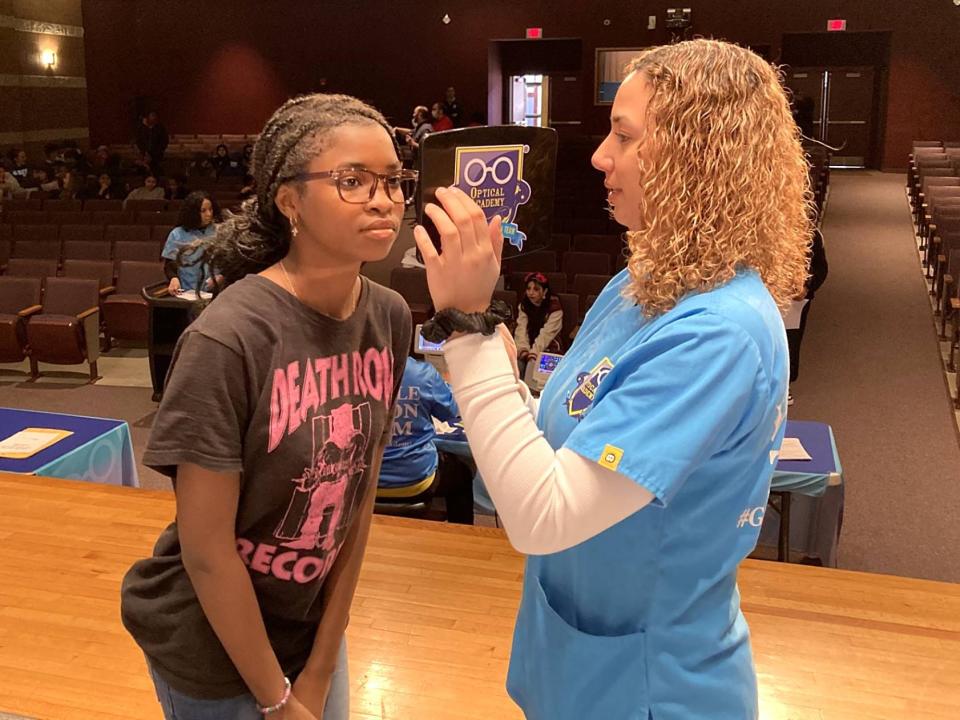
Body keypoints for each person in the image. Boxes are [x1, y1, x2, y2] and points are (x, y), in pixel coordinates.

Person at [412, 39, 810, 719]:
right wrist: (507, 378)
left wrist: (468, 327)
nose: (599, 155)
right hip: (574, 656)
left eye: (623, 136)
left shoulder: (720, 332)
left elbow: (545, 514)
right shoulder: (641, 285)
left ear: (695, 157)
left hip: (652, 687)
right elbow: (560, 432)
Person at [120, 92, 415, 720]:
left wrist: (320, 667)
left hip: (305, 637)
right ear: (289, 201)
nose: (383, 199)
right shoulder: (229, 337)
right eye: (352, 180)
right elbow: (205, 549)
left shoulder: (388, 317)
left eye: (393, 180)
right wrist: (276, 699)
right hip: (214, 646)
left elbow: (357, 502)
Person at [378, 352, 473, 523]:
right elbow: (451, 412)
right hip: (415, 480)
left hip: (364, 481)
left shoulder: (352, 373)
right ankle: (464, 539)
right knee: (463, 474)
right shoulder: (424, 374)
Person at [786, 227, 828, 403]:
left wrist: (807, 287)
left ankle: (785, 384)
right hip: (766, 295)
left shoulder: (811, 234)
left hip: (796, 302)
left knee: (791, 341)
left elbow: (821, 268)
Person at [161, 190, 221, 295]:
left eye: (210, 209)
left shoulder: (221, 231)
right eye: (203, 211)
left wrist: (222, 276)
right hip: (187, 290)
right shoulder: (177, 234)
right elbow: (170, 264)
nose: (209, 214)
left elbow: (230, 262)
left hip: (216, 290)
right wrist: (174, 279)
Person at [513, 271, 563, 376]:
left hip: (549, 347)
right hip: (528, 347)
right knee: (518, 366)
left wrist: (534, 354)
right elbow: (521, 330)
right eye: (528, 289)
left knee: (536, 372)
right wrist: (523, 350)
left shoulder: (555, 309)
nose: (530, 293)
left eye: (536, 289)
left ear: (544, 292)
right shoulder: (524, 305)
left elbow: (546, 335)